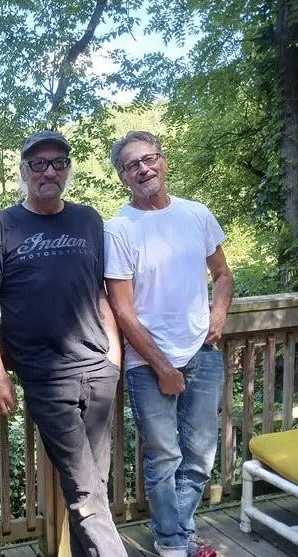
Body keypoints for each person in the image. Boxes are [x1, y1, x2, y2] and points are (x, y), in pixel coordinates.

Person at [0, 131, 128, 557]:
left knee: (92, 485)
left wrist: (113, 359)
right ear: (24, 171)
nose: (49, 171)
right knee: (86, 489)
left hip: (99, 369)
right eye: (39, 164)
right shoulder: (1, 226)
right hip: (45, 377)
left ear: (68, 170)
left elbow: (101, 293)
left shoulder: (88, 220)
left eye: (58, 163)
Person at [104, 131, 233, 557]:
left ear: (164, 161)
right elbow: (122, 310)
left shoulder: (197, 215)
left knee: (201, 457)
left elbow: (224, 274)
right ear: (124, 178)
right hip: (148, 362)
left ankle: (174, 533)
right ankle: (175, 543)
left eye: (149, 158)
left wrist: (217, 315)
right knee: (163, 457)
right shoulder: (119, 229)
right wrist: (162, 366)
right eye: (132, 165)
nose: (143, 168)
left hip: (203, 352)